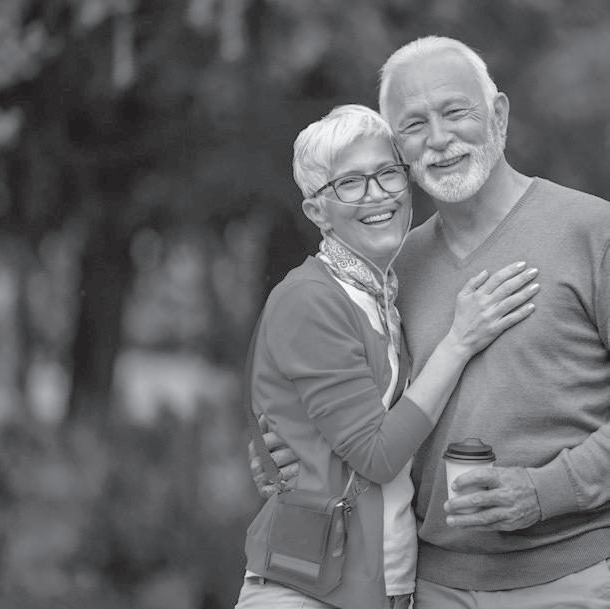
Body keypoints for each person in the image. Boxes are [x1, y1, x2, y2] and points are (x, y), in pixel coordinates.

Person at [251, 36, 610, 608]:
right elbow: (360, 414)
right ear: (398, 150)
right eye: (414, 125)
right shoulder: (392, 269)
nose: (439, 139)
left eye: (455, 111)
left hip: (572, 576)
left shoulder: (591, 232)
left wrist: (543, 491)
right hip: (426, 586)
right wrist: (296, 450)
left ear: (498, 115)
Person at [236, 103, 539, 609]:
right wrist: (461, 340)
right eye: (349, 184)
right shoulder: (311, 299)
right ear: (316, 211)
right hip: (310, 589)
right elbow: (376, 456)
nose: (376, 194)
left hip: (390, 585)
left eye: (387, 174)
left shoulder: (384, 295)